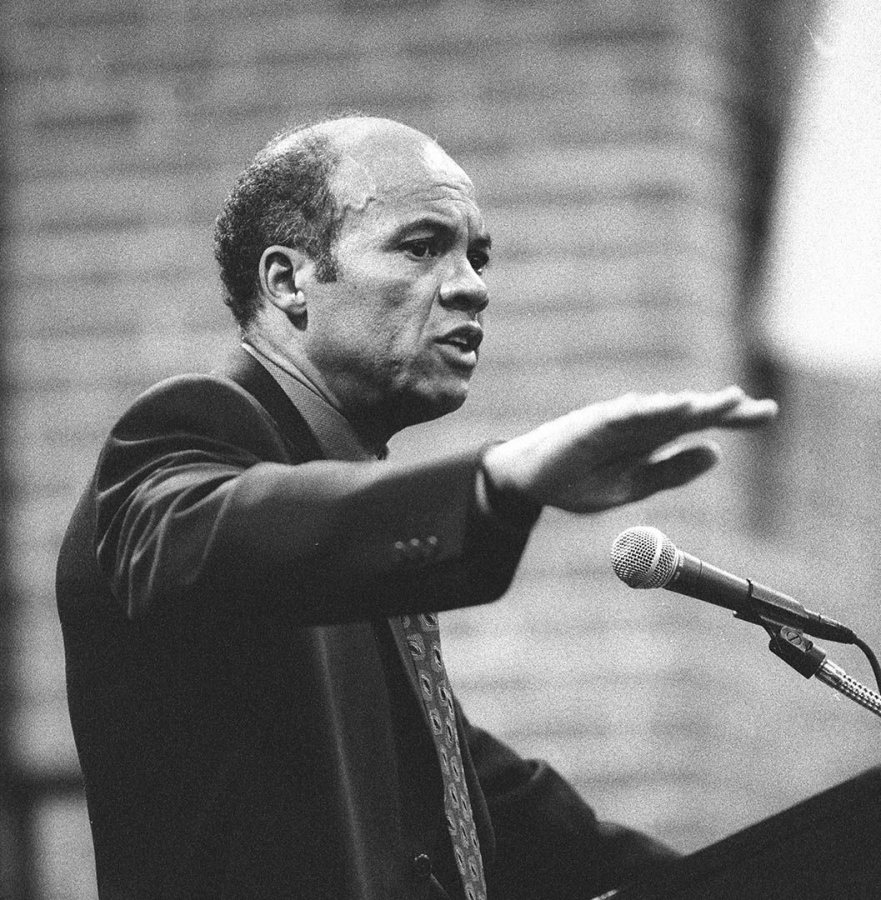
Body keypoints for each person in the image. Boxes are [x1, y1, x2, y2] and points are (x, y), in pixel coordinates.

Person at [55, 115, 777, 900]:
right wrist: (497, 480)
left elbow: (475, 798)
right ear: (288, 281)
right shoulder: (186, 431)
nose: (473, 285)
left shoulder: (338, 504)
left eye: (477, 254)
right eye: (421, 246)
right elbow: (239, 529)